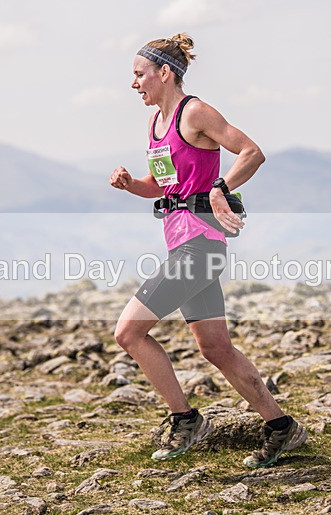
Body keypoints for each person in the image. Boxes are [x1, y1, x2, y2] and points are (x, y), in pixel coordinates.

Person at [109, 33, 307, 468]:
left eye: (139, 74)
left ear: (165, 73)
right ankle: (282, 428)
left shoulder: (194, 111)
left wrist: (221, 186)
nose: (133, 83)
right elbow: (160, 186)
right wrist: (131, 186)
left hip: (201, 248)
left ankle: (185, 419)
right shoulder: (155, 125)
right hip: (184, 244)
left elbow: (251, 152)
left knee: (128, 332)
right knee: (215, 347)